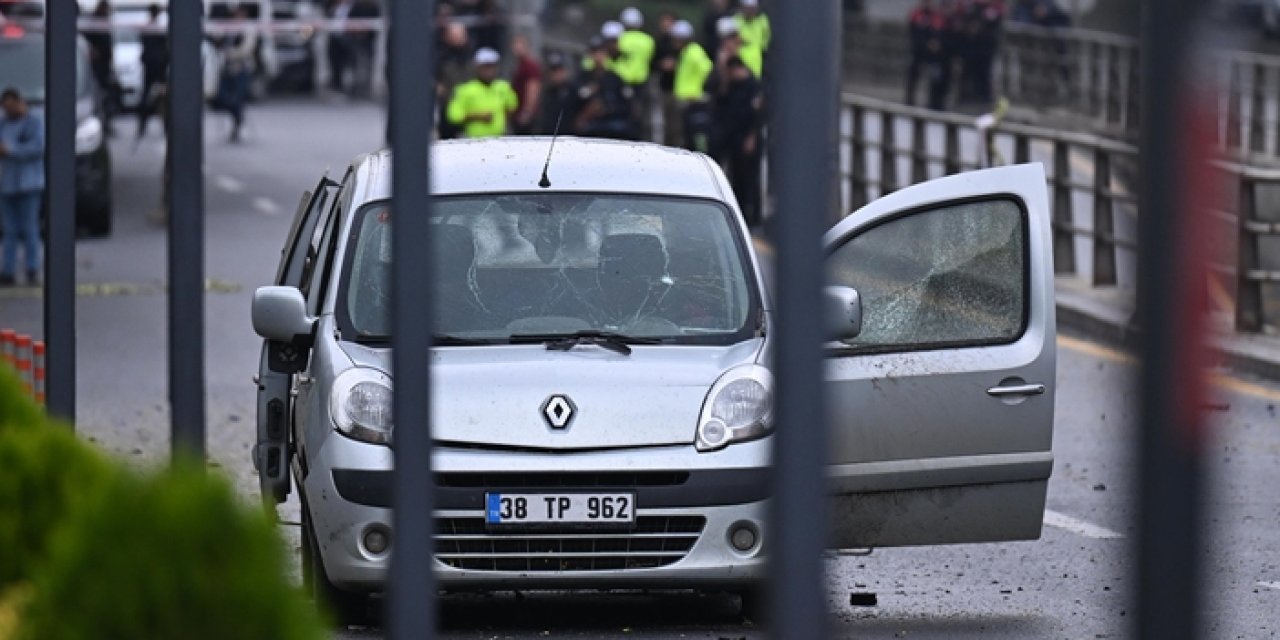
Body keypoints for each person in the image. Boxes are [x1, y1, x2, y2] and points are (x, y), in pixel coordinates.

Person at [709, 56, 763, 226]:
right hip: (733, 138)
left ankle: (753, 217)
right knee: (736, 178)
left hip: (747, 138)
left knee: (750, 180)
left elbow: (758, 116)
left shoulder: (753, 87)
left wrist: (752, 138)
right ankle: (741, 214)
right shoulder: (730, 85)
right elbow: (720, 103)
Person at [0, 88, 44, 286]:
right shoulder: (3, 124)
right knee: (9, 230)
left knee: (29, 228)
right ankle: (8, 269)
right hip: (7, 184)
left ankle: (32, 268)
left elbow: (37, 147)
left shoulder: (34, 123)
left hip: (29, 183)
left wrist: (11, 150)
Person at [572, 37, 638, 141]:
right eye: (595, 52)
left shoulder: (615, 78)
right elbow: (574, 101)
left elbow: (627, 104)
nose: (598, 56)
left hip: (612, 124)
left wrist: (609, 109)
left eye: (601, 52)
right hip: (589, 125)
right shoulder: (583, 78)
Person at [446, 47, 517, 138]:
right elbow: (453, 116)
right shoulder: (465, 89)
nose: (489, 71)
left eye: (492, 66)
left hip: (499, 138)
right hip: (472, 140)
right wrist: (476, 116)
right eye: (485, 67)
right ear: (477, 68)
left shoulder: (503, 87)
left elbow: (512, 106)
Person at [215, 5, 258, 142]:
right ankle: (237, 117)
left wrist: (229, 53)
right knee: (222, 96)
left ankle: (237, 123)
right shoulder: (229, 27)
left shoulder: (249, 28)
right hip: (227, 68)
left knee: (238, 98)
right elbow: (219, 39)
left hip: (242, 68)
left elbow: (246, 49)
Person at [671, 20, 713, 152]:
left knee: (692, 136)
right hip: (685, 100)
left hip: (692, 100)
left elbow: (707, 69)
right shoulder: (686, 52)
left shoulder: (694, 52)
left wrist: (698, 92)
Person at [616, 7, 655, 138]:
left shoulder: (620, 38)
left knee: (621, 112)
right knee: (638, 114)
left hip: (621, 80)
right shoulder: (648, 41)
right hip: (640, 81)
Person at [436, 21, 472, 139]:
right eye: (454, 35)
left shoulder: (470, 56)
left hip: (469, 105)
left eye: (460, 35)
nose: (457, 39)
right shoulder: (441, 56)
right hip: (448, 103)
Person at [137, 4, 168, 138]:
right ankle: (145, 124)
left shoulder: (154, 28)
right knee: (155, 97)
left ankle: (145, 125)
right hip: (155, 66)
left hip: (154, 66)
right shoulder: (154, 28)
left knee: (158, 97)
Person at [652, 11, 681, 146]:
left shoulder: (681, 44)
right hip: (664, 86)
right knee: (664, 123)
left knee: (676, 125)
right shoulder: (660, 42)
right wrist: (662, 65)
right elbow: (653, 63)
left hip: (680, 89)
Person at [906, 0, 939, 106]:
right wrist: (926, 43)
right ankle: (909, 100)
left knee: (934, 78)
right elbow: (913, 33)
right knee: (913, 77)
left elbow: (938, 31)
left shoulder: (935, 15)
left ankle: (932, 102)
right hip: (917, 51)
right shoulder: (916, 14)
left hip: (931, 54)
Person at [536, 51, 575, 135]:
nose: (556, 74)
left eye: (559, 69)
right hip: (548, 137)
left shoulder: (573, 91)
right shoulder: (547, 91)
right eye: (553, 70)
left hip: (569, 138)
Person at [509, 35, 542, 135]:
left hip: (525, 115)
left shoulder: (530, 66)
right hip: (517, 112)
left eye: (520, 46)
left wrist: (527, 111)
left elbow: (533, 88)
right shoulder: (518, 65)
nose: (517, 48)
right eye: (515, 45)